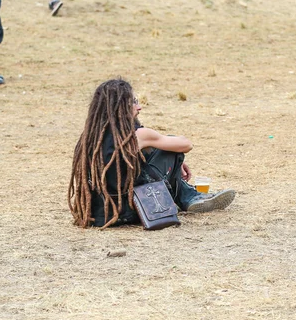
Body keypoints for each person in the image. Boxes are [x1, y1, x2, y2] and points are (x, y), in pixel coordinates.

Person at [68, 79, 236, 229]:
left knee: (160, 149)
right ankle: (189, 197)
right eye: (133, 102)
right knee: (170, 145)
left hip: (101, 214)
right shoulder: (139, 135)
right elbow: (186, 144)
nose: (139, 106)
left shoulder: (89, 139)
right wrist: (175, 158)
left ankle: (190, 196)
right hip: (138, 209)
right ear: (119, 106)